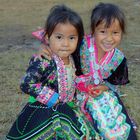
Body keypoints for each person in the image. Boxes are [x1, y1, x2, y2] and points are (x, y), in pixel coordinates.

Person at [36, 3, 137, 140]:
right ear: (93, 30)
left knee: (114, 125)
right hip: (72, 95)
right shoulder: (80, 45)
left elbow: (114, 83)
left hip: (100, 97)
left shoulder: (118, 59)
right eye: (103, 32)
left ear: (122, 33)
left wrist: (104, 87)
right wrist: (45, 47)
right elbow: (60, 40)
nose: (109, 38)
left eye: (115, 32)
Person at [6, 5, 101, 140]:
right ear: (48, 37)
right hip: (43, 111)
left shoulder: (73, 58)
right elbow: (26, 83)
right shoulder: (45, 59)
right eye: (59, 37)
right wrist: (51, 98)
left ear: (78, 39)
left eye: (71, 38)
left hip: (66, 109)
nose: (65, 44)